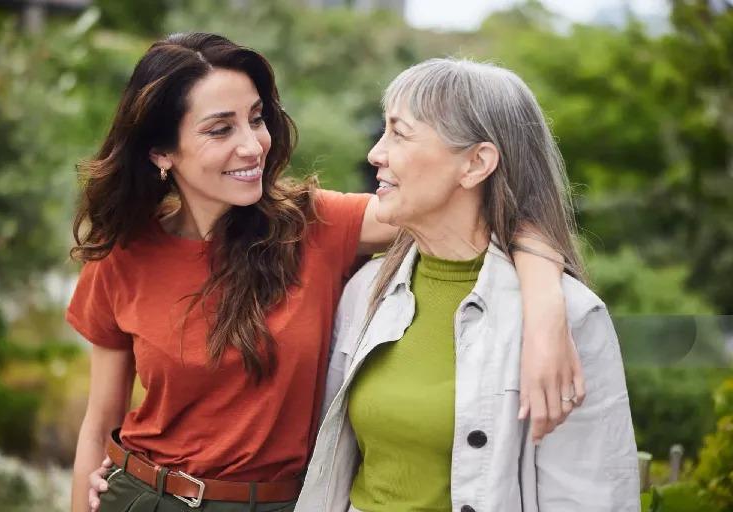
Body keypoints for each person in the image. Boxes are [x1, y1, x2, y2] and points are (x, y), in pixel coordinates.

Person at [71, 34, 583, 512]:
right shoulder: (123, 254)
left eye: (256, 118)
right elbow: (99, 424)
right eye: (219, 129)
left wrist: (546, 314)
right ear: (162, 152)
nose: (253, 145)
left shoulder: (314, 225)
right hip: (141, 495)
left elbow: (490, 209)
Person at [294, 58, 639, 512]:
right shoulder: (365, 292)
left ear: (476, 163)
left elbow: (592, 497)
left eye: (399, 133)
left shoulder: (570, 316)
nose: (376, 153)